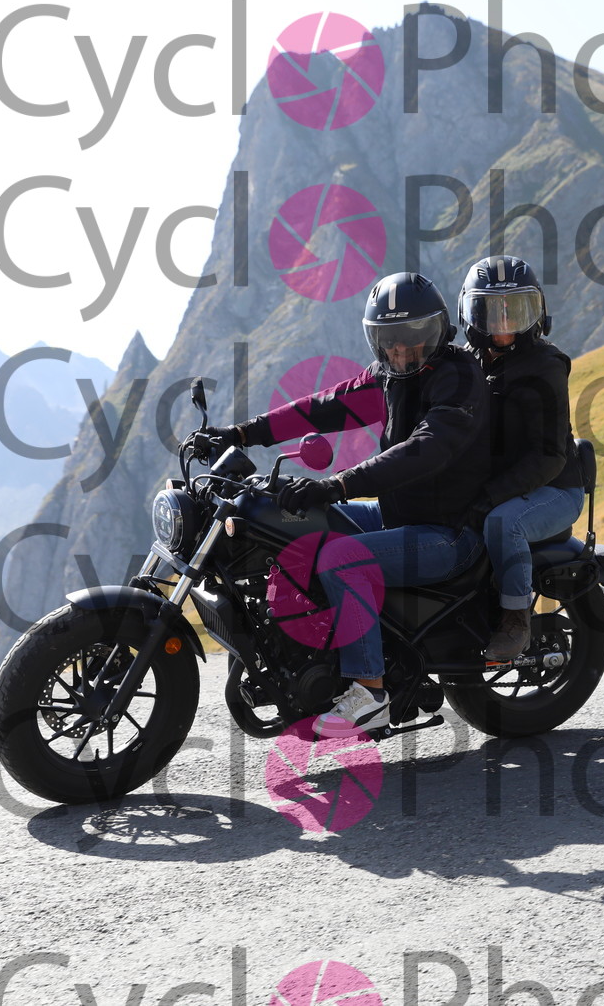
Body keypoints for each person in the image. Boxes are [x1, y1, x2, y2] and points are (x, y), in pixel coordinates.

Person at [196, 272, 490, 737]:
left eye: (413, 336)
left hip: (451, 533)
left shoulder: (458, 377)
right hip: (398, 517)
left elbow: (427, 448)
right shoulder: (387, 377)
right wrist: (241, 433)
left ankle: (370, 693)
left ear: (439, 331)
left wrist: (337, 485)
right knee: (295, 525)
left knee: (341, 558)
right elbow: (322, 407)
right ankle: (305, 655)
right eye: (389, 339)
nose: (402, 350)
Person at [458, 255, 585, 662]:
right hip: (503, 486)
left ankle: (516, 620)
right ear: (470, 314)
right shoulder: (469, 362)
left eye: (516, 309)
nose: (504, 324)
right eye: (491, 311)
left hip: (555, 489)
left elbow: (550, 457)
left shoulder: (546, 367)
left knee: (503, 523)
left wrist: (491, 496)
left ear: (536, 311)